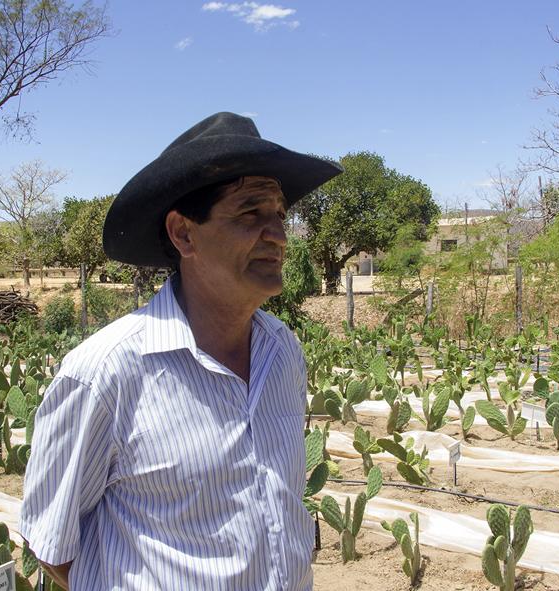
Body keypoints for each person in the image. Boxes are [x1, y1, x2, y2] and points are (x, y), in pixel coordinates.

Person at [19, 112, 343, 590]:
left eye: (279, 214)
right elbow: (52, 548)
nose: (277, 234)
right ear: (184, 234)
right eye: (251, 213)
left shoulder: (283, 351)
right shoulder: (105, 373)